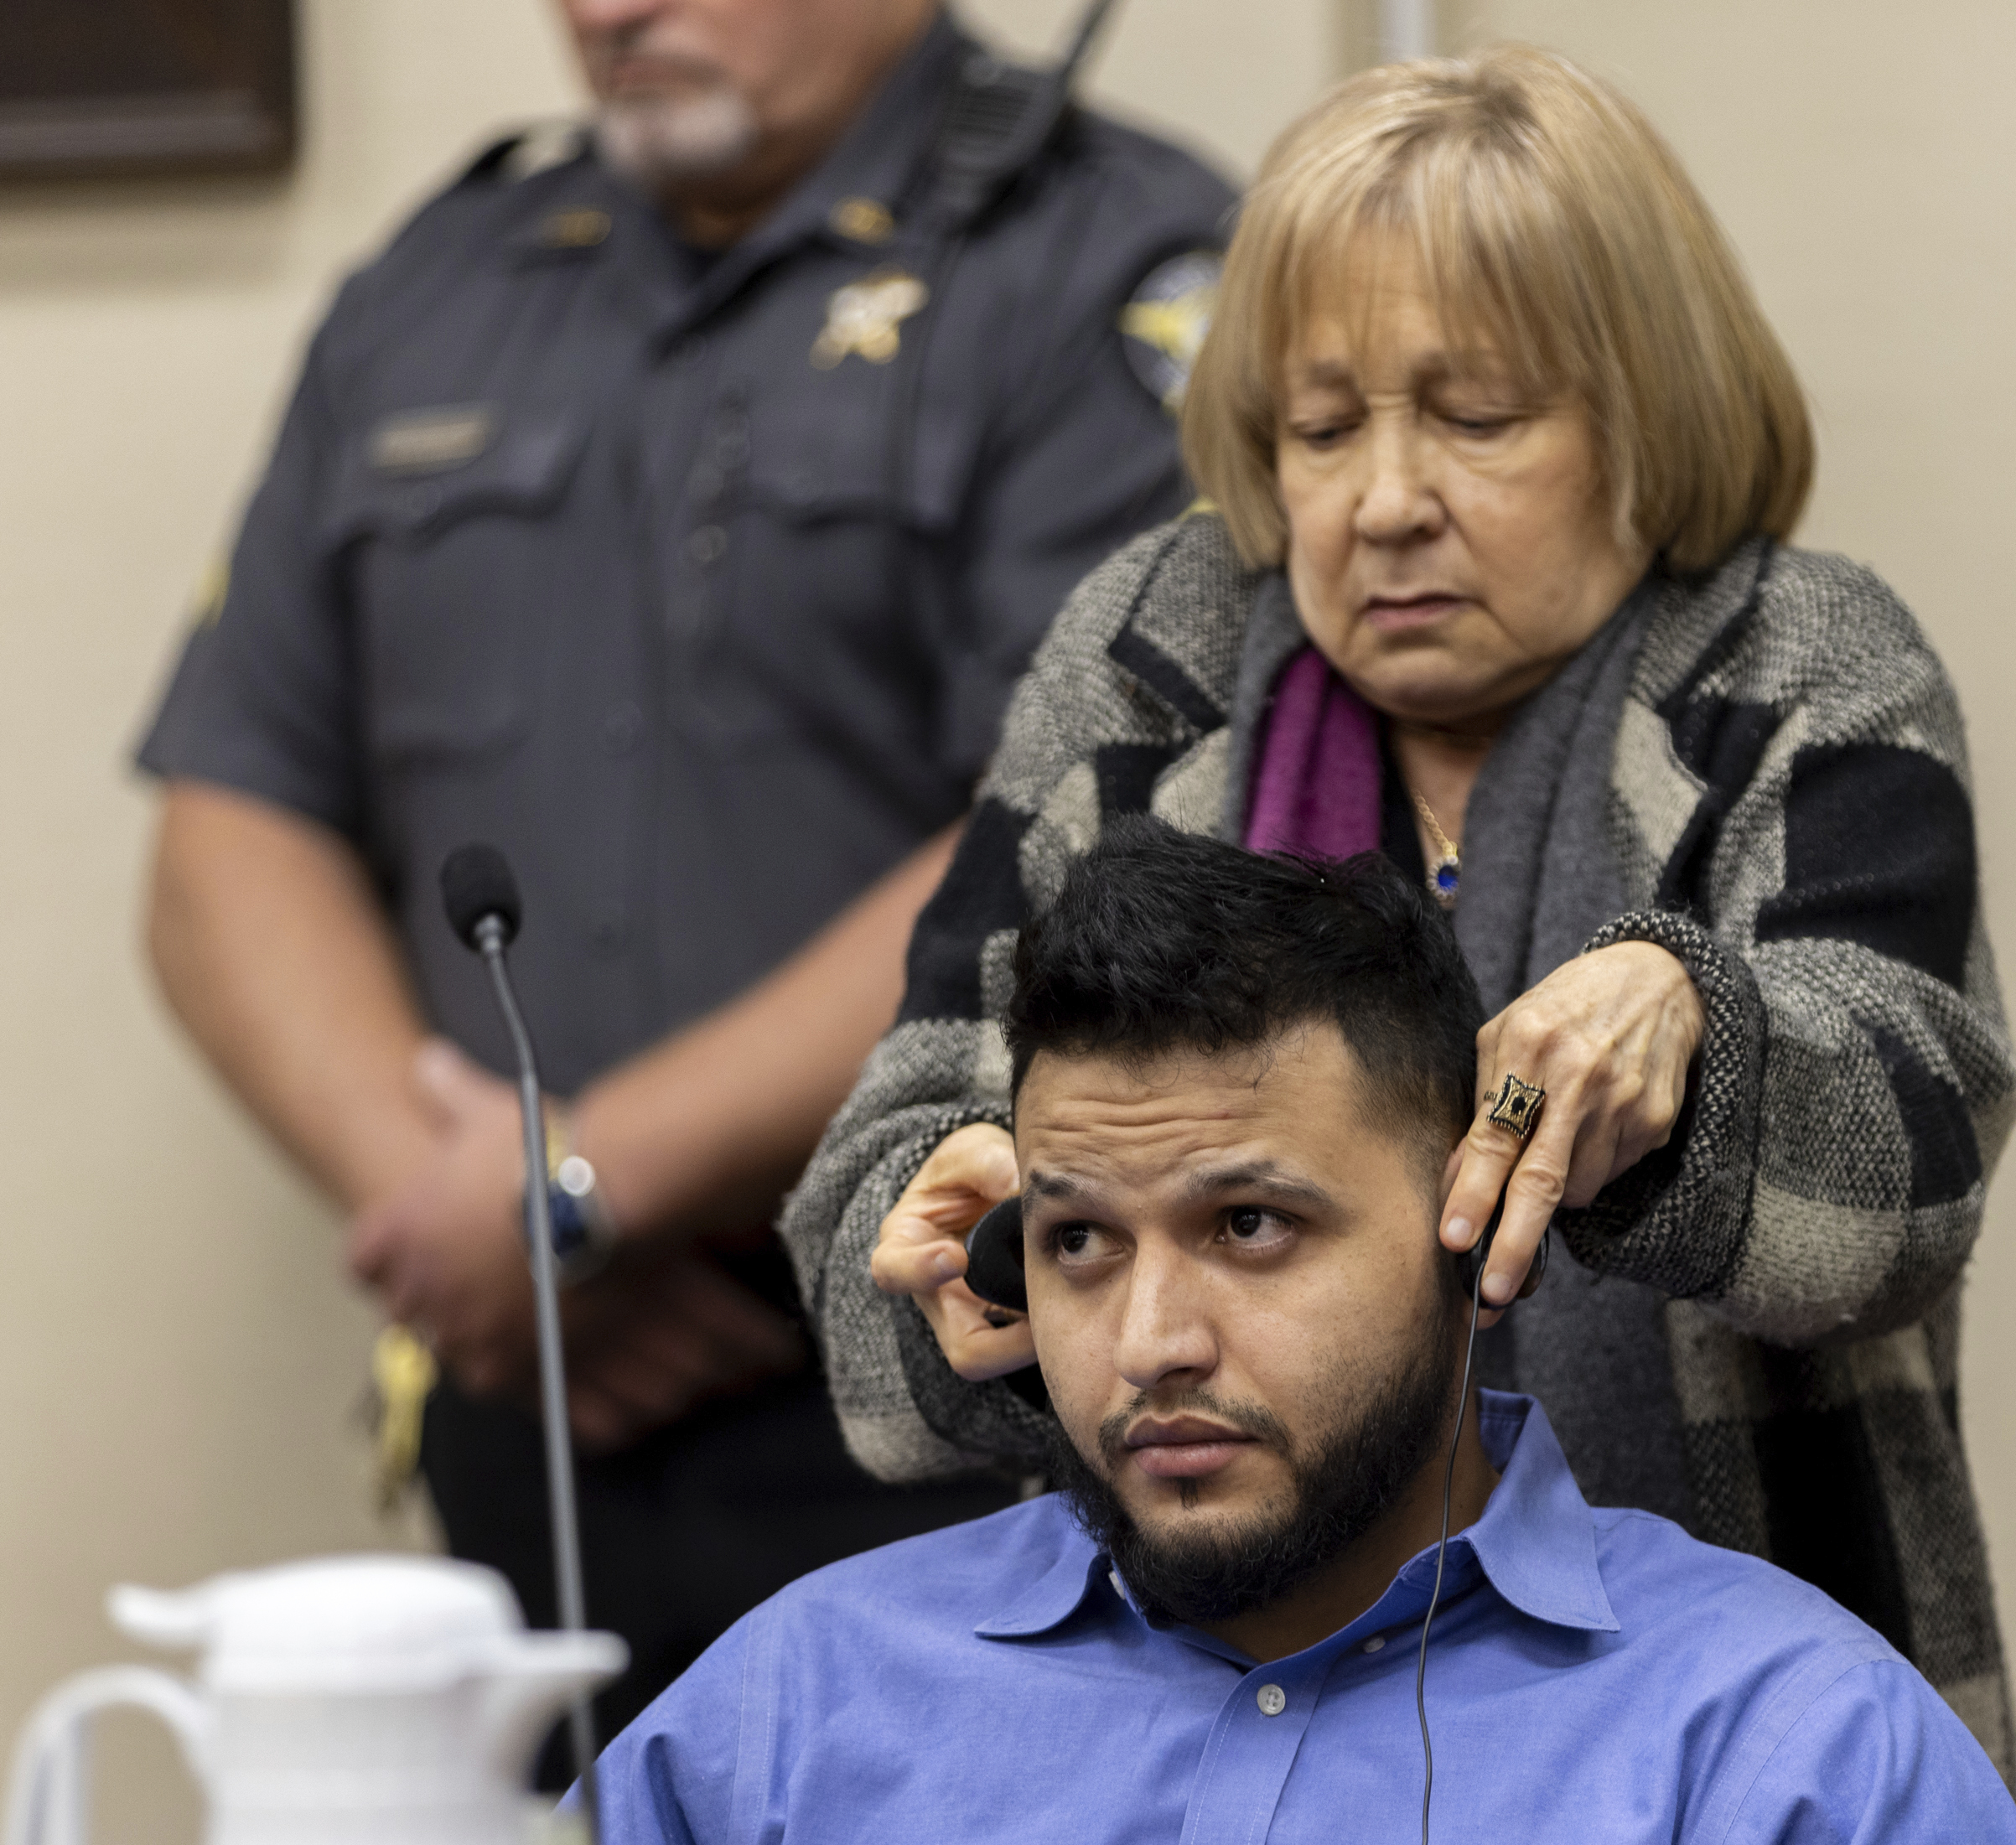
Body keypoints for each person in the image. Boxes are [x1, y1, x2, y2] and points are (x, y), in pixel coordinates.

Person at [788, 43, 2016, 1785]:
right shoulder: (1157, 668)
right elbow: (873, 1242)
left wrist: (1686, 1045)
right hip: (1209, 1742)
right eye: (1319, 429)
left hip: (1734, 1746)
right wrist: (990, 1263)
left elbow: (1906, 1191)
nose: (1382, 504)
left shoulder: (1798, 666)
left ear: (1644, 419)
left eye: (1477, 419)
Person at [134, 0, 1234, 1749]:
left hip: (955, 1371)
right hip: (534, 1389)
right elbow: (223, 830)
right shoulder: (444, 281)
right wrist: (477, 1223)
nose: (605, 11)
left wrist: (579, 1188)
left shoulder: (1107, 270)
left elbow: (1087, 832)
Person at [599, 824, 2016, 1842]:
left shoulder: (1781, 1757)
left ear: (1473, 1220)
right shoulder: (792, 1717)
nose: (1149, 1339)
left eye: (1249, 1227)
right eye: (1079, 1240)